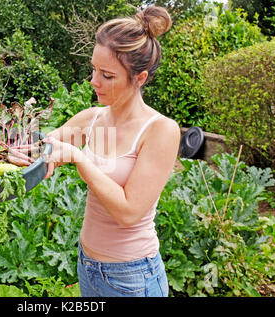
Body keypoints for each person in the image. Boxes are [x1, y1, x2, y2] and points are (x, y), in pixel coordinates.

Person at [42, 6, 180, 297]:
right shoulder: (93, 119)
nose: (94, 81)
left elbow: (129, 212)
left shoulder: (159, 131)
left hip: (132, 277)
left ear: (139, 78)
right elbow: (42, 147)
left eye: (107, 75)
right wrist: (4, 151)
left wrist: (78, 157)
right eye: (93, 69)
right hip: (88, 267)